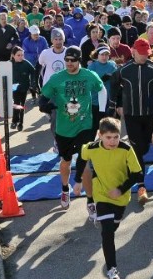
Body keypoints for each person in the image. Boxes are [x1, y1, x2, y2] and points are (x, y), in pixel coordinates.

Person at [38, 46, 106, 209]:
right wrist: (44, 105)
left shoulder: (89, 75)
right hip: (64, 127)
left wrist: (102, 112)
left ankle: (90, 200)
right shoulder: (57, 78)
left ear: (79, 60)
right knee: (66, 161)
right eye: (66, 60)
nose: (69, 63)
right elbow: (44, 96)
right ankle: (65, 188)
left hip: (85, 125)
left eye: (72, 60)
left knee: (85, 161)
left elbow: (101, 89)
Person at [80, 117, 143, 279]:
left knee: (112, 227)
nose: (113, 141)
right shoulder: (91, 148)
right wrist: (80, 182)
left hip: (121, 197)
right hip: (101, 194)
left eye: (116, 137)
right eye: (108, 137)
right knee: (107, 232)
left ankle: (101, 219)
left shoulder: (126, 149)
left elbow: (138, 173)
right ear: (100, 135)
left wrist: (120, 190)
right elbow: (82, 157)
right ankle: (112, 271)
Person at [112, 39, 153, 204]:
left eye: (147, 54)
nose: (144, 56)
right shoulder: (124, 70)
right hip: (131, 114)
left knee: (144, 148)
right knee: (137, 149)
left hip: (149, 113)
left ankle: (130, 162)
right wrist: (118, 105)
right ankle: (141, 187)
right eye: (142, 53)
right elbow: (114, 85)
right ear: (133, 51)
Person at [9, 47, 34, 131]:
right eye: (18, 55)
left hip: (24, 87)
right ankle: (14, 121)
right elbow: (3, 73)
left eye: (22, 55)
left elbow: (33, 71)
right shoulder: (9, 64)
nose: (21, 57)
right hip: (14, 88)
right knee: (16, 104)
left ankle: (20, 123)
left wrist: (33, 83)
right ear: (13, 55)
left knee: (22, 105)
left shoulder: (26, 63)